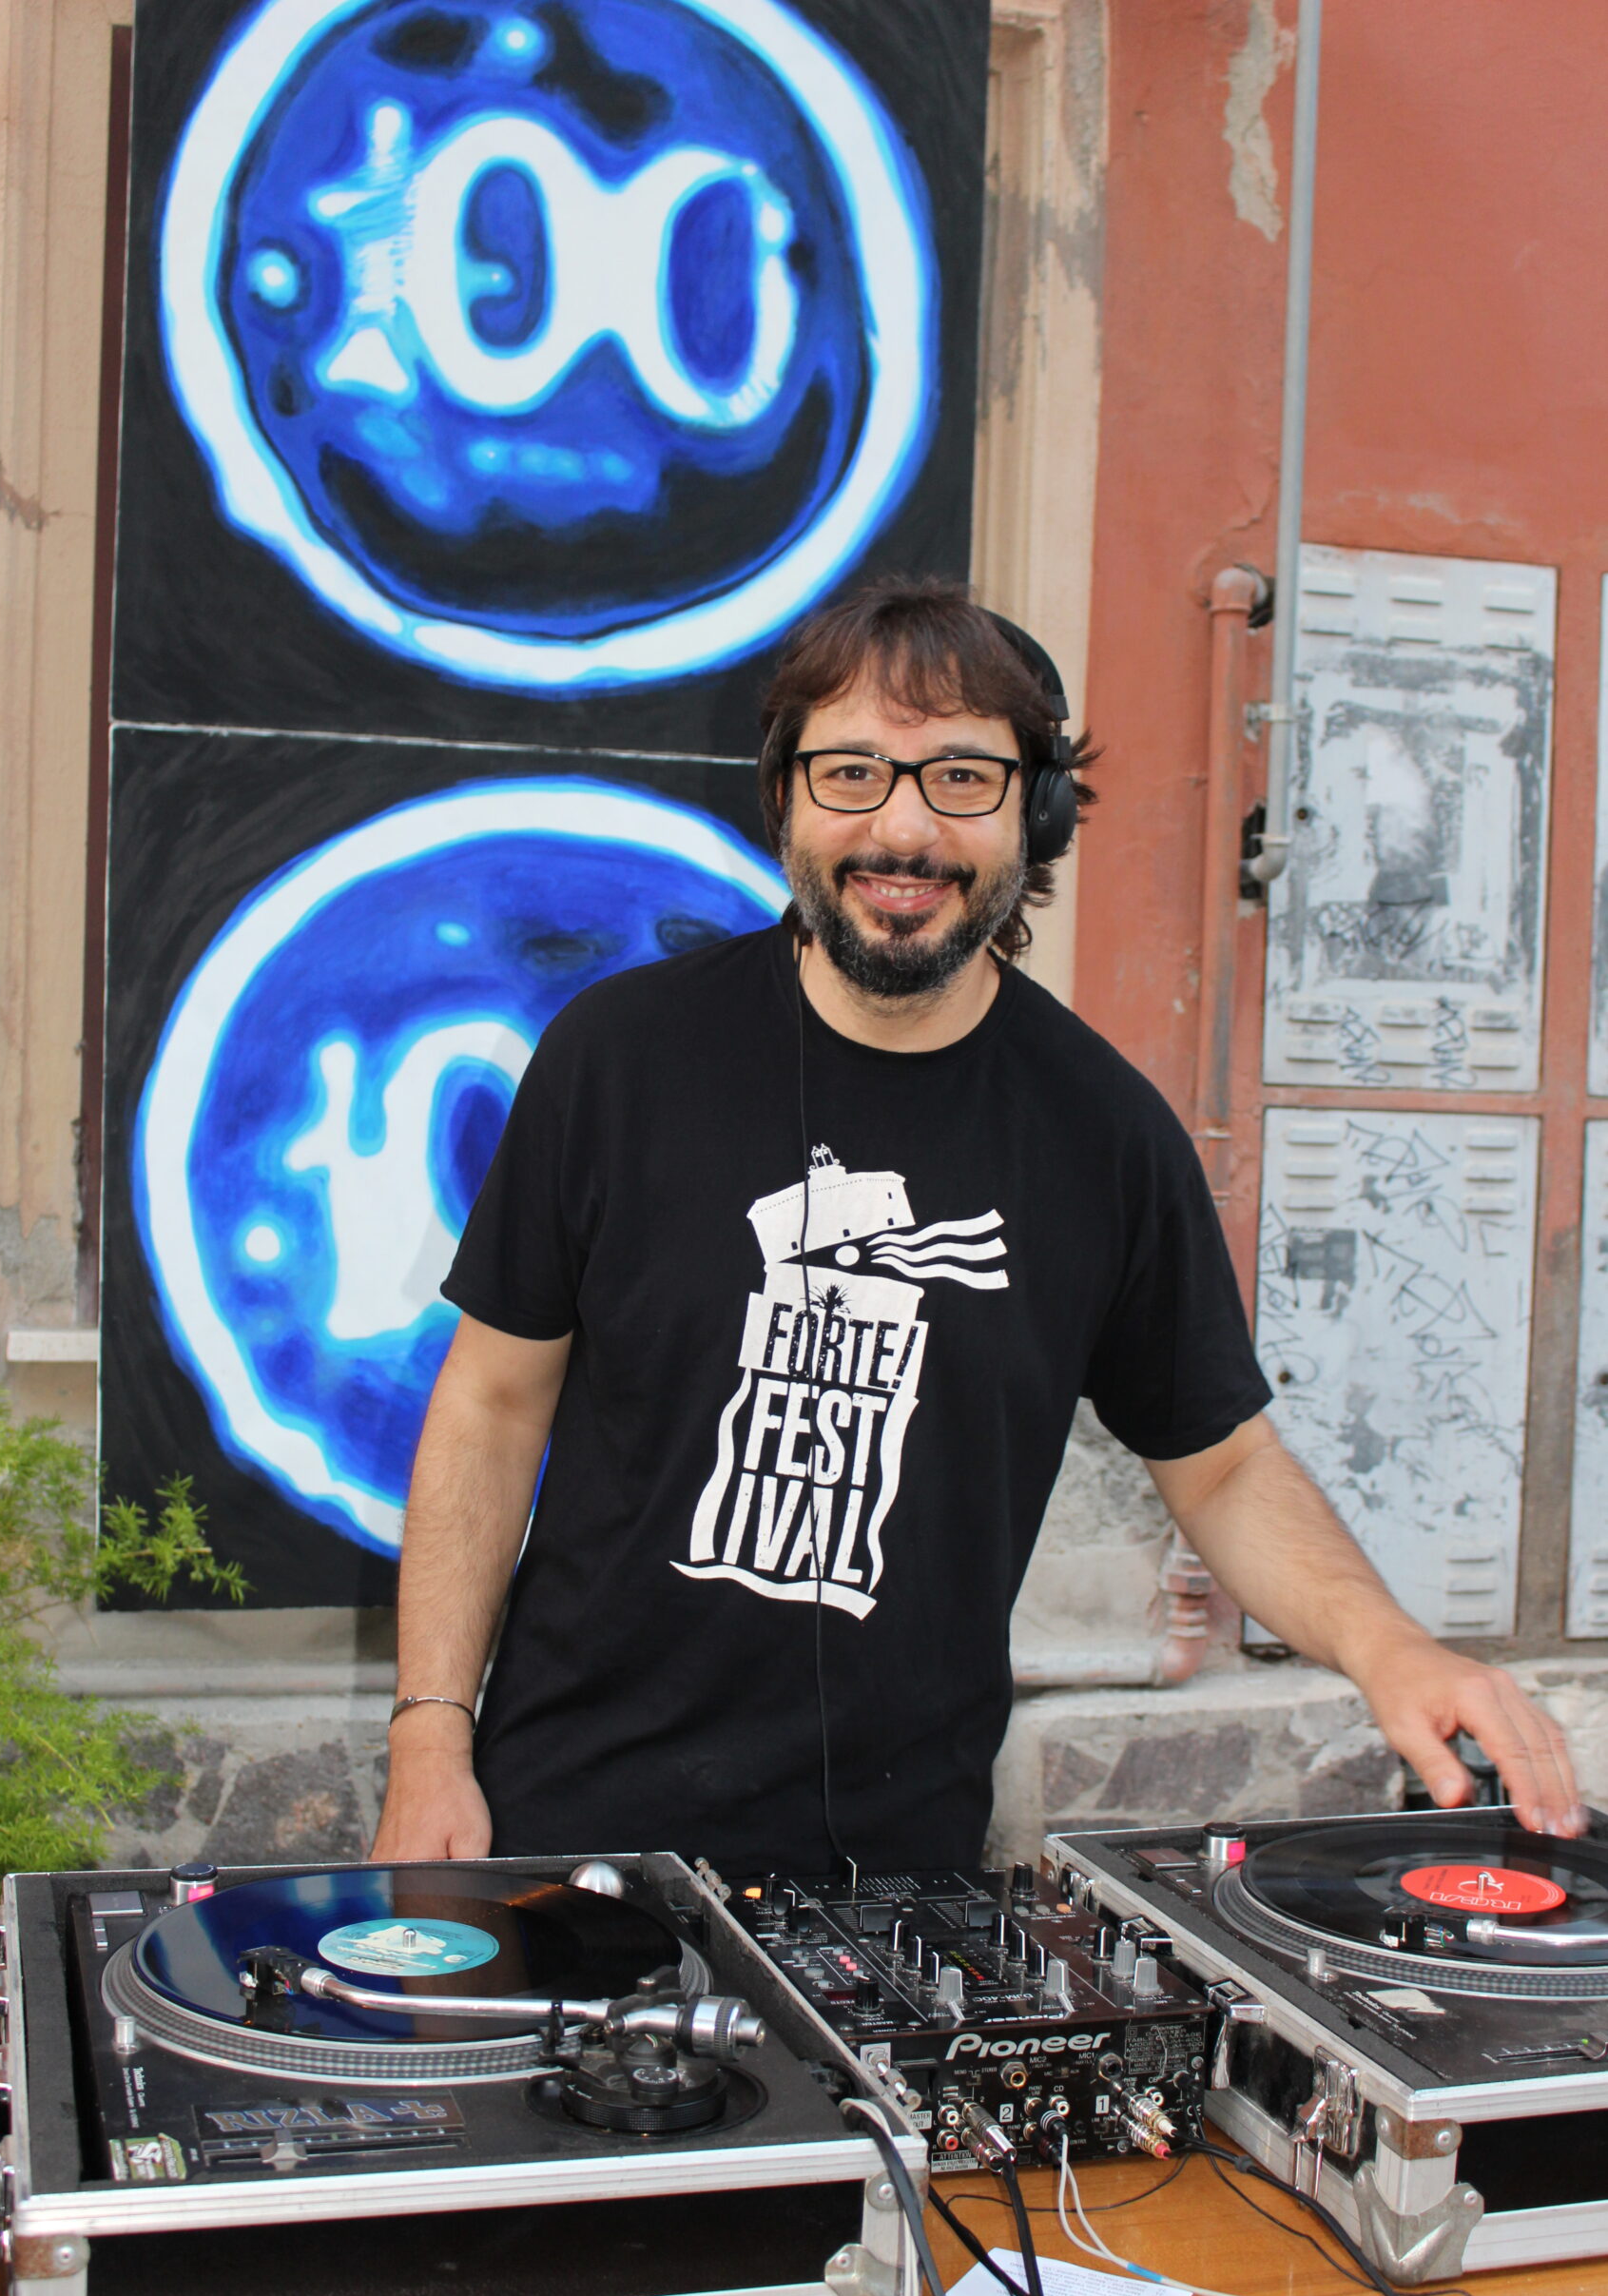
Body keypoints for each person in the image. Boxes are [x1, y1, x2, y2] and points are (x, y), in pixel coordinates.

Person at [372, 577, 1582, 1876]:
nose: (902, 829)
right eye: (851, 773)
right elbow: (493, 1404)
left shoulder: (1106, 1135)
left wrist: (1390, 1646)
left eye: (961, 777)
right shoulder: (618, 1060)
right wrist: (430, 1738)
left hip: (898, 1877)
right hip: (563, 1829)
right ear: (784, 798)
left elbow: (1221, 1464)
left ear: (1035, 812)